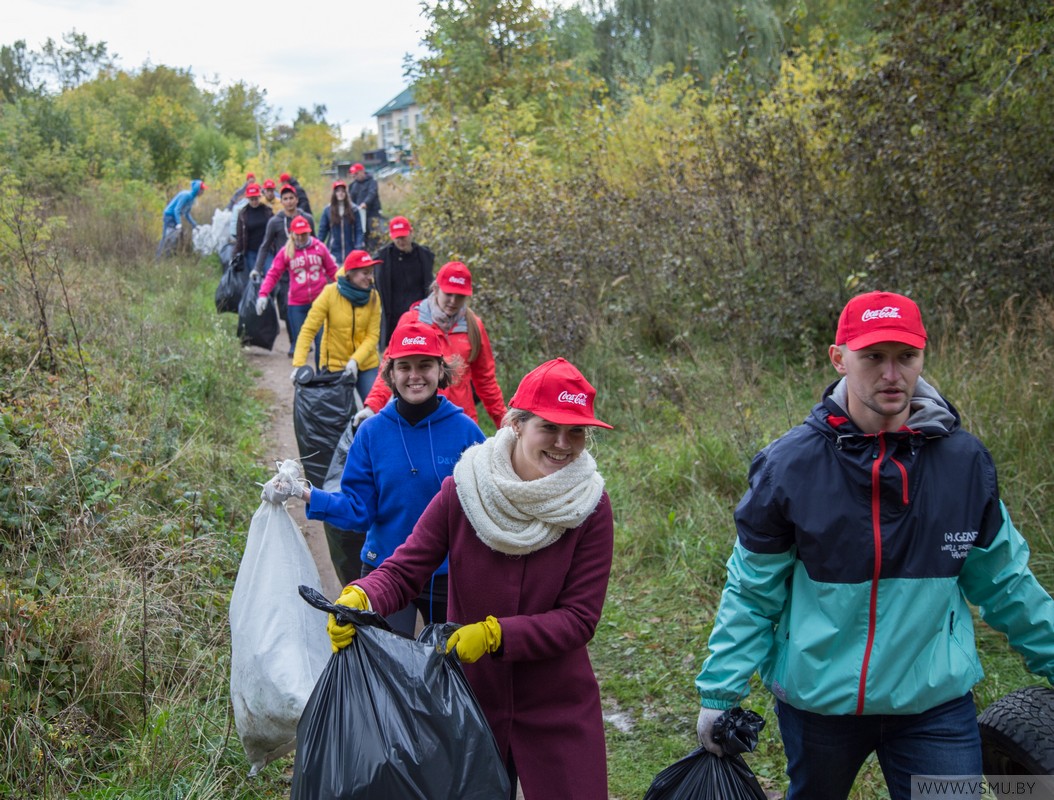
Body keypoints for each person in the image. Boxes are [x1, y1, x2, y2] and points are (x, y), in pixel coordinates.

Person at [693, 291, 1054, 800]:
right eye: (873, 357)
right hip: (819, 704)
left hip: (933, 704)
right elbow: (752, 591)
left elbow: (1007, 584)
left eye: (906, 356)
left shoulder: (965, 464)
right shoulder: (788, 467)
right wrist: (719, 693)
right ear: (839, 358)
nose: (891, 374)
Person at [274, 357, 615, 799]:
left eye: (576, 431)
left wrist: (496, 635)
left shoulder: (589, 506)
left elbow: (579, 618)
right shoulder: (466, 489)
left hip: (556, 698)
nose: (563, 444)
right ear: (516, 423)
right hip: (469, 698)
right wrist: (361, 594)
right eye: (549, 427)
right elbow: (405, 568)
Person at [284, 320, 486, 633]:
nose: (415, 375)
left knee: (450, 659)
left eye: (424, 365)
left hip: (449, 573)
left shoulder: (466, 432)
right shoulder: (371, 433)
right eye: (404, 366)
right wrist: (306, 493)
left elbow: (487, 505)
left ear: (440, 370)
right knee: (385, 658)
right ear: (390, 373)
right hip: (387, 569)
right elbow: (359, 511)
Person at [357, 261, 507, 429]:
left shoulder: (473, 327)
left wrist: (504, 422)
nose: (453, 301)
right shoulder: (412, 321)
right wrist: (372, 406)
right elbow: (390, 368)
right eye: (448, 294)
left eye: (460, 296)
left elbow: (486, 381)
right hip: (418, 421)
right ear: (436, 289)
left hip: (460, 420)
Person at [292, 249, 382, 395]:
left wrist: (355, 360)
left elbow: (373, 336)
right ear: (350, 273)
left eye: (371, 273)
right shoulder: (330, 293)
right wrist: (299, 364)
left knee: (374, 405)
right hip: (334, 365)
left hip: (366, 362)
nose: (370, 278)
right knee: (338, 409)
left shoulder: (374, 297)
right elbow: (309, 329)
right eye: (365, 273)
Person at [256, 215, 337, 362]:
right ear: (292, 233)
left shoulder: (319, 247)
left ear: (309, 232)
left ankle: (322, 374)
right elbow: (273, 273)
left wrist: (344, 288)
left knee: (322, 343)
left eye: (303, 234)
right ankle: (302, 374)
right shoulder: (286, 251)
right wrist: (263, 294)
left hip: (320, 302)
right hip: (297, 304)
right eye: (297, 234)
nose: (300, 237)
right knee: (301, 344)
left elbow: (332, 271)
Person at [257, 184, 315, 354]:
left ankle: (304, 340)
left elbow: (316, 242)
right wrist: (257, 268)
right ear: (281, 201)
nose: (289, 202)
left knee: (308, 307)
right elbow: (265, 246)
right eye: (285, 199)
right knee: (286, 308)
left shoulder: (307, 218)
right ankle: (294, 341)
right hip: (284, 274)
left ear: (297, 200)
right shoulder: (275, 222)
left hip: (304, 272)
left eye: (291, 198)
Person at [372, 215, 434, 348]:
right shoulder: (382, 259)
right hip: (393, 319)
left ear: (411, 233)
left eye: (404, 236)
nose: (401, 241)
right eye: (397, 238)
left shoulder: (424, 256)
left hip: (420, 316)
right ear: (391, 236)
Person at [157, 179, 206, 258]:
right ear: (197, 189)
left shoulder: (192, 199)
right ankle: (158, 258)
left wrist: (195, 225)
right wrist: (179, 224)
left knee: (174, 240)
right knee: (167, 237)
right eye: (201, 189)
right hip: (169, 216)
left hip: (175, 217)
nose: (203, 191)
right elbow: (176, 209)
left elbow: (187, 214)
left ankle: (168, 258)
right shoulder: (185, 195)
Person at [317, 180, 361, 265]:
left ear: (346, 193)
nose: (340, 193)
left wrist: (358, 247)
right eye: (338, 191)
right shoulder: (327, 210)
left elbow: (358, 230)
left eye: (342, 191)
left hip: (350, 250)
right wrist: (317, 247)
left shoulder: (354, 210)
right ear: (334, 193)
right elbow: (322, 231)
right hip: (333, 251)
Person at [231, 182, 272, 274]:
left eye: (256, 198)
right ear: (247, 199)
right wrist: (234, 254)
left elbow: (274, 231)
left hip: (266, 250)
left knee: (270, 274)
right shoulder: (243, 214)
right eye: (252, 199)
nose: (254, 201)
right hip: (251, 251)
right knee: (254, 277)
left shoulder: (267, 211)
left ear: (259, 197)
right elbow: (240, 236)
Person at [348, 162, 381, 249]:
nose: (354, 176)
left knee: (374, 235)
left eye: (356, 174)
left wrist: (365, 203)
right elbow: (350, 198)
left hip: (372, 213)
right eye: (353, 175)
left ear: (362, 172)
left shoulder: (372, 182)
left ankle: (375, 250)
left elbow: (372, 194)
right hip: (359, 214)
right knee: (362, 234)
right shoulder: (352, 185)